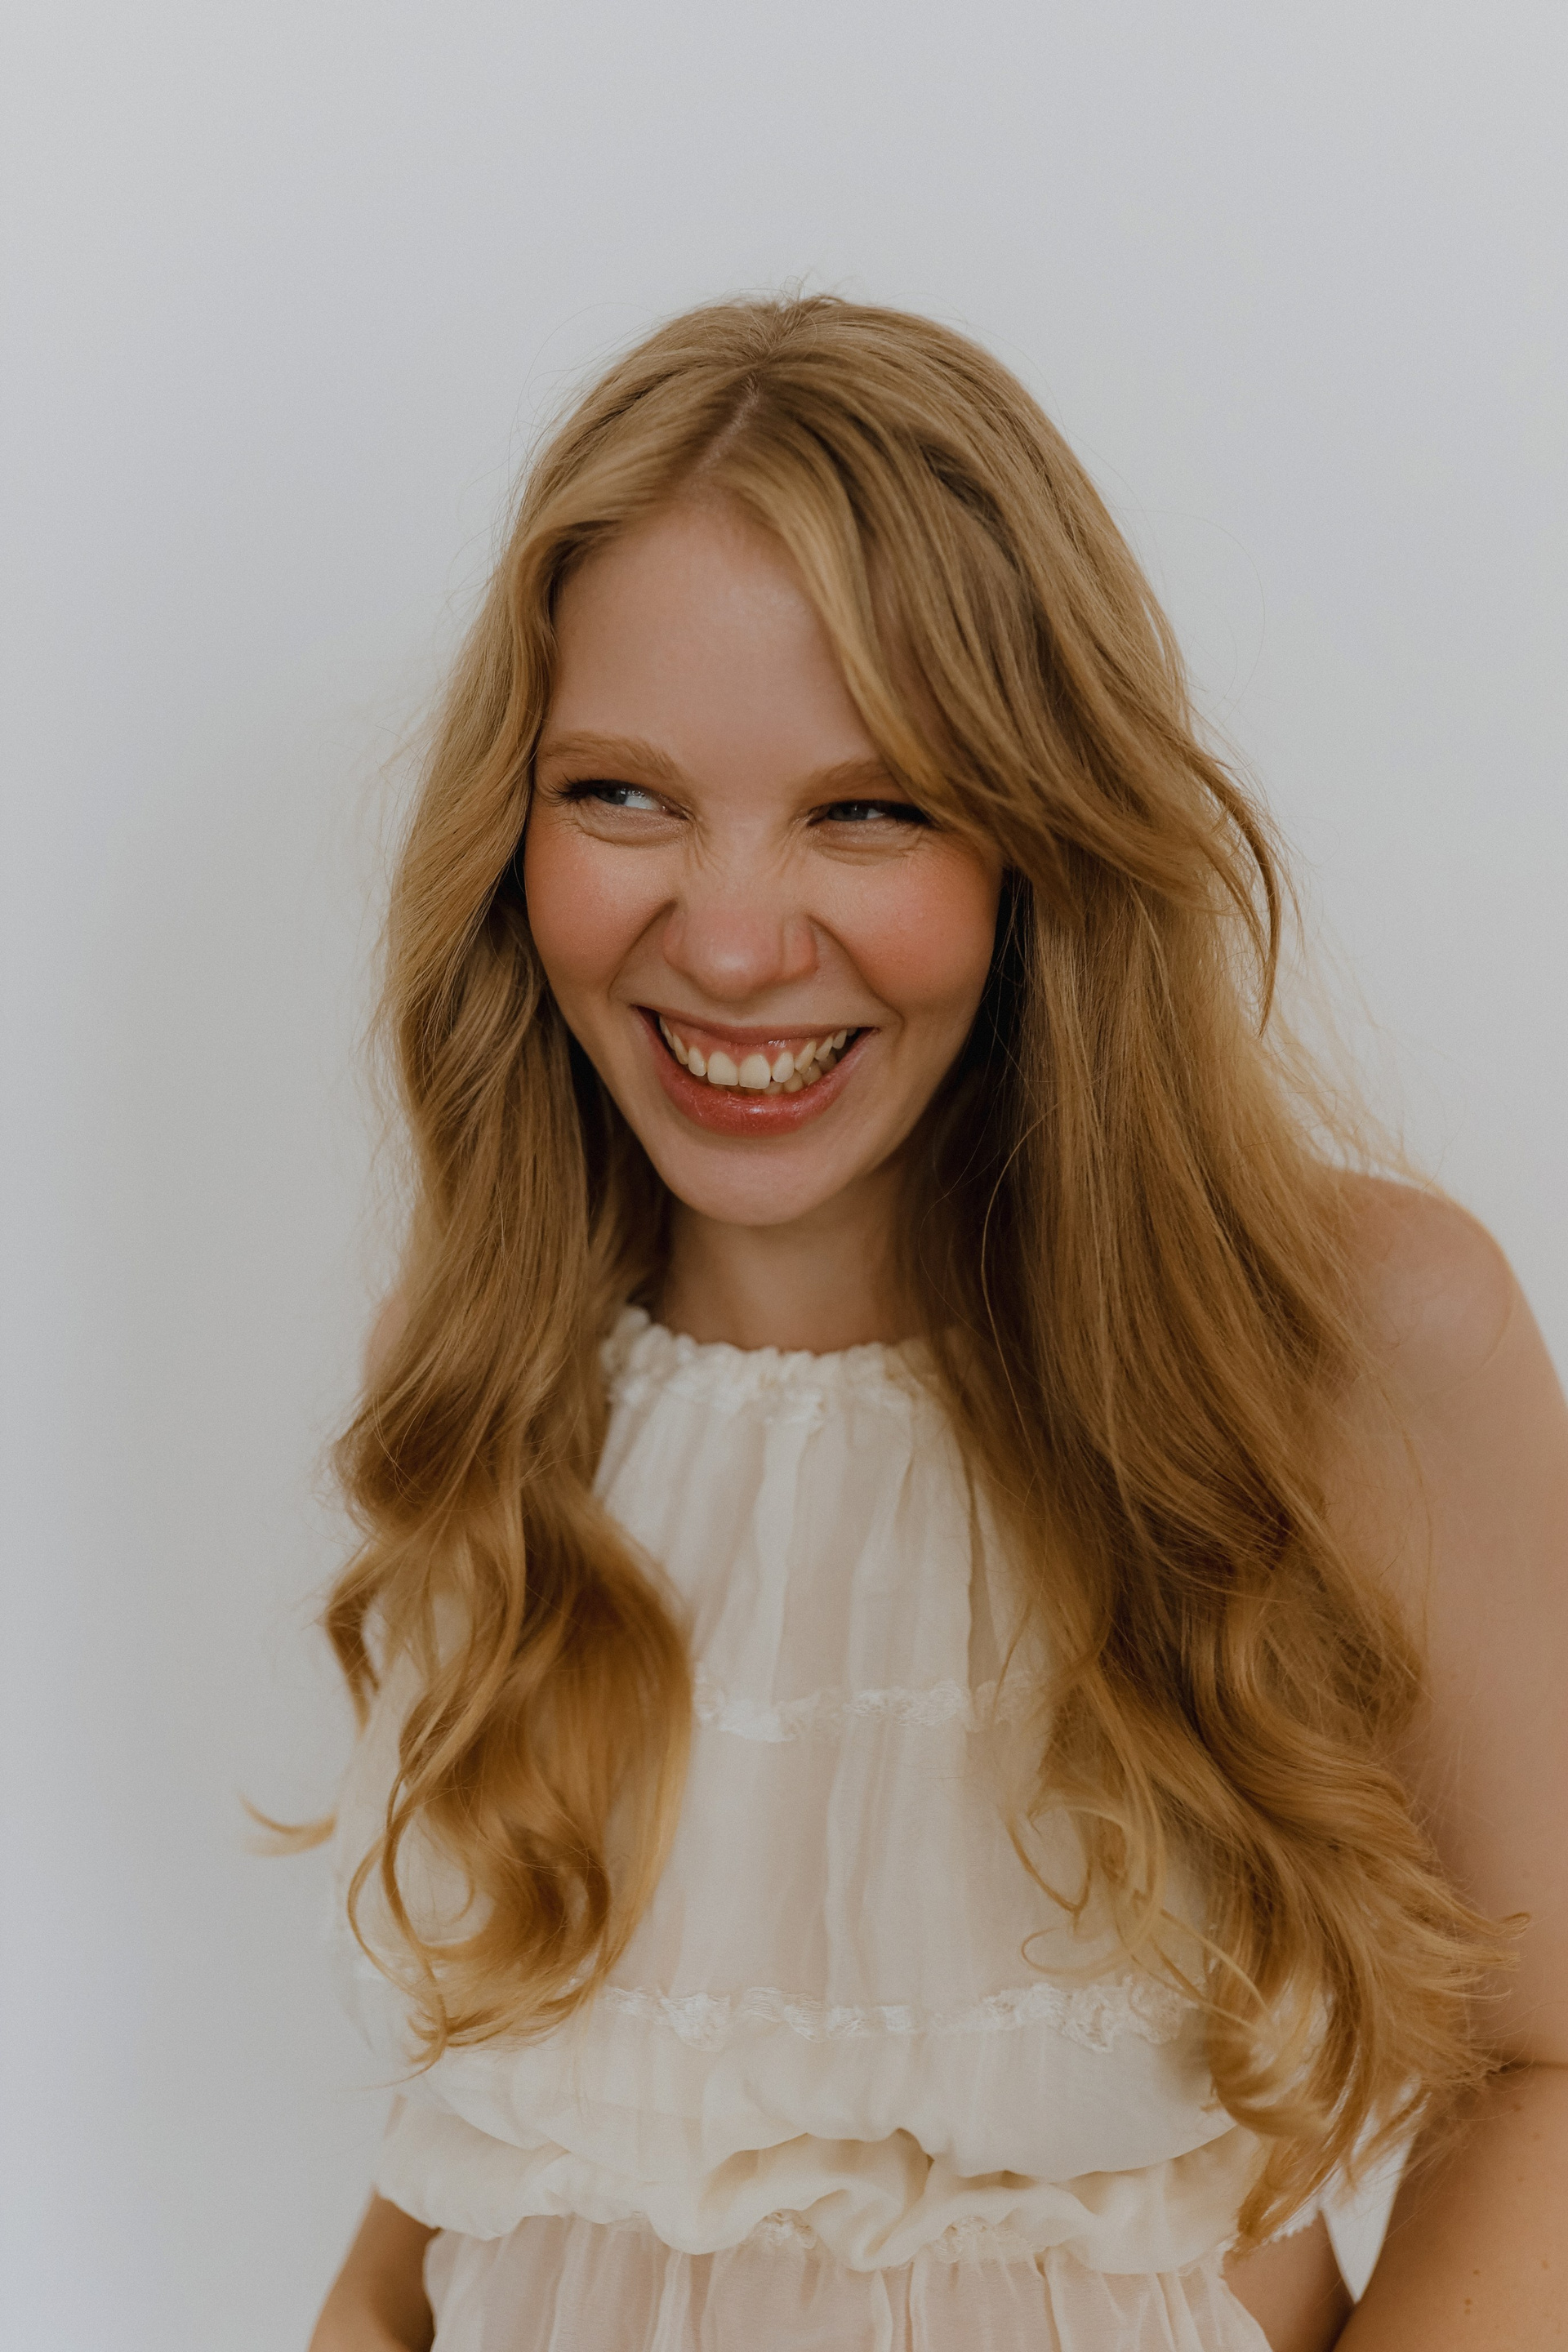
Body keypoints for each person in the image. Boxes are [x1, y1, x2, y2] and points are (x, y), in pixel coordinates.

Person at [305, 296, 1567, 2351]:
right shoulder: (477, 1388)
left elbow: (1543, 2073)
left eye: (870, 807)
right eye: (620, 794)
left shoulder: (1345, 1345)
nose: (729, 942)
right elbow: (483, 2159)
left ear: (1038, 840)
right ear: (507, 831)